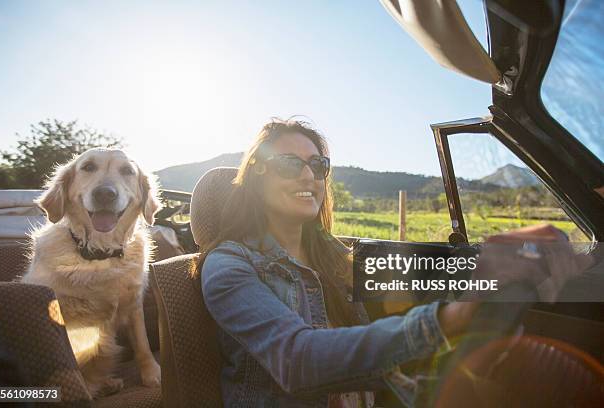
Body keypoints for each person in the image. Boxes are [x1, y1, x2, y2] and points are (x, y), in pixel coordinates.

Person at [198, 118, 579, 407]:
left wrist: (498, 258)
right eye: (288, 164)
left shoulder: (336, 256)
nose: (307, 175)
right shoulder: (229, 266)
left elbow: (430, 275)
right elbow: (298, 359)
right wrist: (451, 318)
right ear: (257, 177)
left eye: (318, 165)